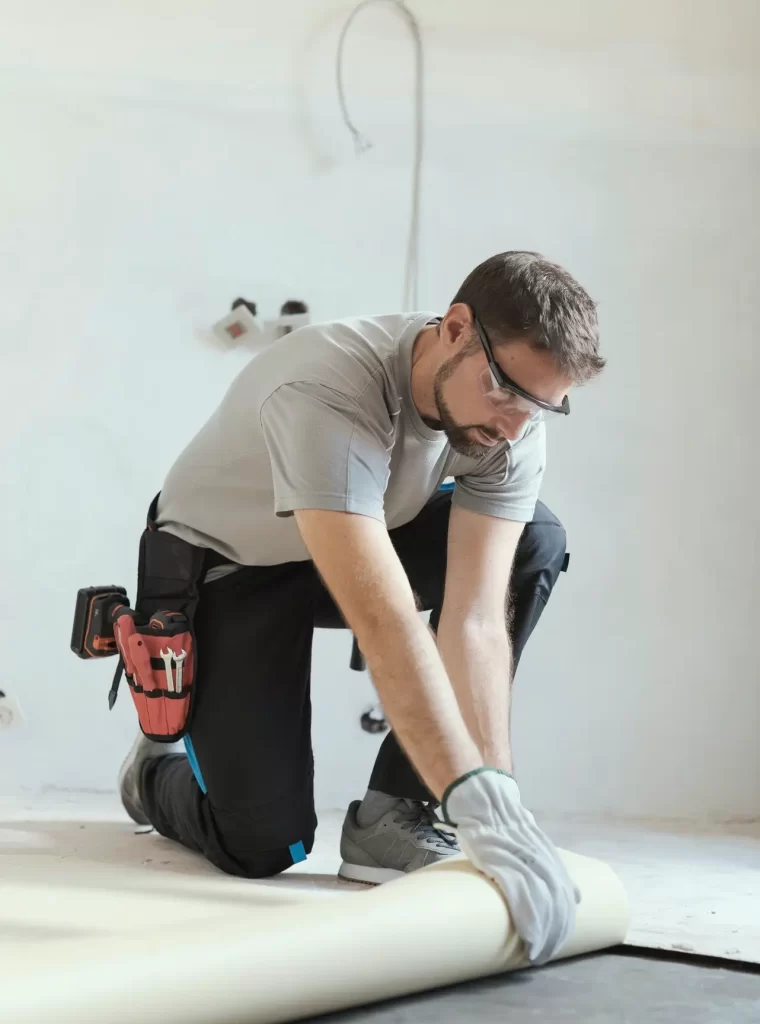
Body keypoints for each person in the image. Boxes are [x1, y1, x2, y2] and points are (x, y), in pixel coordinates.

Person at [118, 251, 605, 964]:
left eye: (540, 405)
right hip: (231, 565)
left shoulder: (512, 422)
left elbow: (475, 619)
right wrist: (476, 797)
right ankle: (153, 774)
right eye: (504, 391)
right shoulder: (327, 389)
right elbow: (385, 622)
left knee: (535, 539)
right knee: (261, 843)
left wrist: (493, 800)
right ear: (456, 328)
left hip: (358, 528)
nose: (513, 426)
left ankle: (396, 811)